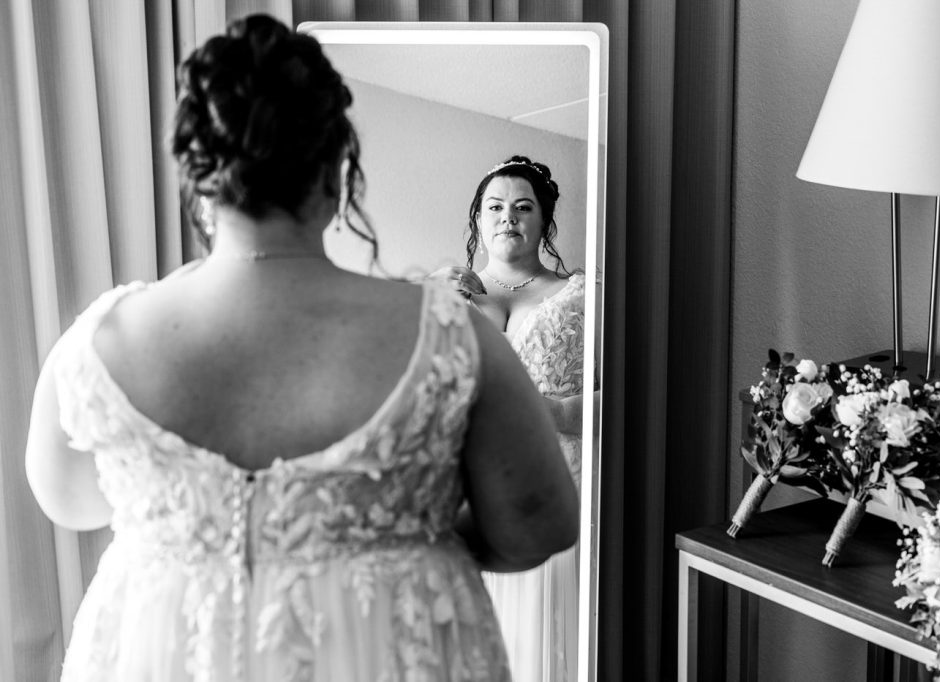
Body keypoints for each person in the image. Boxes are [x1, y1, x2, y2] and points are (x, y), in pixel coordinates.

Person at [24, 16, 578, 682]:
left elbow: (72, 501)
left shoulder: (100, 342)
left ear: (198, 175)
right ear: (336, 170)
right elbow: (536, 524)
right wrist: (397, 539)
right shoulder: (450, 335)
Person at [434, 156, 590, 682]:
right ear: (479, 219)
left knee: (544, 633)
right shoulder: (448, 291)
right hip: (469, 487)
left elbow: (620, 397)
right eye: (495, 207)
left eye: (523, 207)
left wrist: (550, 412)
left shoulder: (580, 295)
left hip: (554, 476)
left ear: (544, 221)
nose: (508, 217)